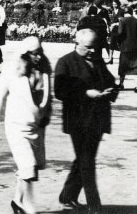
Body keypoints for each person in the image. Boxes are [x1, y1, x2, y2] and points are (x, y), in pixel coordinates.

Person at [0, 36, 53, 214]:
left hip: (37, 126)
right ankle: (30, 208)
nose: (38, 57)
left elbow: (48, 97)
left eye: (40, 53)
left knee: (30, 168)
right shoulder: (11, 69)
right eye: (34, 54)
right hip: (16, 126)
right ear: (25, 54)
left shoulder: (45, 68)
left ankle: (18, 201)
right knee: (28, 166)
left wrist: (47, 114)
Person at [54, 28, 117, 214]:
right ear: (77, 43)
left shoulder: (97, 60)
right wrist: (85, 93)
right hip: (78, 120)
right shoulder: (65, 62)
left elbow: (109, 80)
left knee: (84, 159)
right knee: (87, 161)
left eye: (95, 47)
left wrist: (111, 90)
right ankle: (94, 205)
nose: (93, 51)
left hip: (98, 118)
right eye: (88, 48)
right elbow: (60, 91)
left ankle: (67, 196)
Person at [111, 7, 137, 92]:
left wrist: (115, 36)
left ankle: (121, 84)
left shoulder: (122, 20)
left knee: (123, 66)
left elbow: (119, 33)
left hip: (125, 46)